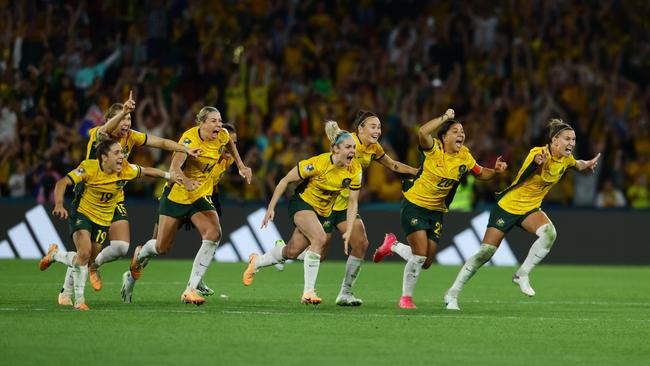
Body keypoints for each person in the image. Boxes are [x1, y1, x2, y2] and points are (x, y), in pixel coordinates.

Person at [257, 111, 419, 306]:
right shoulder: (349, 144)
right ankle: (284, 261)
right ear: (360, 129)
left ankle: (345, 293)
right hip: (326, 203)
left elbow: (392, 165)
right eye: (373, 126)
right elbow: (331, 157)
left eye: (379, 127)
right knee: (305, 251)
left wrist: (417, 172)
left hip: (345, 206)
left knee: (361, 243)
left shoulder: (373, 148)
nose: (377, 130)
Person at [56, 91, 202, 305]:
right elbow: (105, 130)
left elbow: (160, 142)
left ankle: (94, 265)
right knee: (84, 252)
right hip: (91, 195)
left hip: (115, 195)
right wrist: (124, 109)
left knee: (121, 248)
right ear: (111, 120)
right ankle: (67, 292)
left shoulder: (131, 136)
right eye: (123, 118)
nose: (126, 123)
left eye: (128, 119)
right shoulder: (100, 134)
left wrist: (185, 149)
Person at [444, 119, 600, 310]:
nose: (572, 143)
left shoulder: (565, 159)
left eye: (574, 139)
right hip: (507, 207)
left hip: (530, 209)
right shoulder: (538, 153)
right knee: (486, 253)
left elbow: (578, 164)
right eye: (567, 139)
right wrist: (537, 163)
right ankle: (452, 293)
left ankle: (521, 274)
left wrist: (588, 163)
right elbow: (530, 167)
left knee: (549, 233)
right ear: (555, 140)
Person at [372, 108, 507, 309]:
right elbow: (422, 133)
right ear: (443, 137)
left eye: (462, 131)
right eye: (455, 130)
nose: (461, 134)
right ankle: (406, 299)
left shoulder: (464, 156)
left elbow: (480, 173)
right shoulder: (433, 149)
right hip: (415, 205)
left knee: (426, 262)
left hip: (436, 212)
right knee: (419, 256)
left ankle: (392, 245)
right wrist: (445, 117)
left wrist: (495, 172)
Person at [124, 107, 252, 306]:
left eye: (219, 120)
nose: (218, 125)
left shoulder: (223, 136)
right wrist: (185, 180)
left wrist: (241, 165)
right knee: (161, 246)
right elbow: (174, 167)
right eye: (213, 121)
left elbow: (231, 146)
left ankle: (190, 289)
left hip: (199, 196)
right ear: (200, 123)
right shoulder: (189, 140)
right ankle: (140, 255)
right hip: (177, 195)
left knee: (214, 233)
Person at [39, 139, 181, 310]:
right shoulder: (89, 167)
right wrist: (59, 204)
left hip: (103, 220)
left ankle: (55, 255)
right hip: (82, 214)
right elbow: (62, 182)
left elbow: (146, 171)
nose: (122, 156)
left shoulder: (126, 169)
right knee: (84, 253)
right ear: (104, 157)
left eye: (122, 152)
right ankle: (80, 301)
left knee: (87, 260)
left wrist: (168, 176)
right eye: (117, 153)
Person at [243, 122, 363, 305]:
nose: (352, 151)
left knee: (291, 251)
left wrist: (349, 228)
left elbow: (353, 201)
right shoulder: (317, 164)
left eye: (354, 147)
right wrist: (271, 207)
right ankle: (308, 292)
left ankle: (256, 261)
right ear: (335, 149)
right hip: (303, 204)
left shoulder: (355, 169)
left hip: (324, 212)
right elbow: (284, 181)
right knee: (320, 239)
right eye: (348, 147)